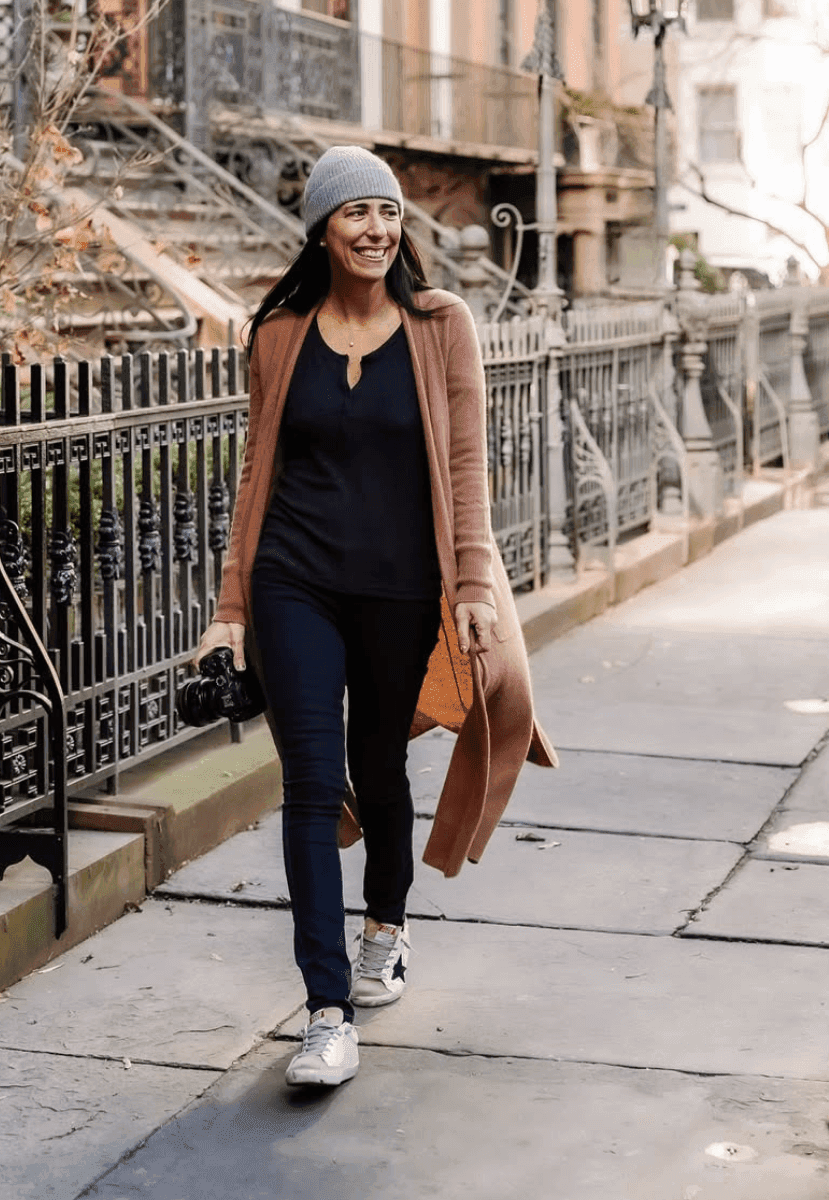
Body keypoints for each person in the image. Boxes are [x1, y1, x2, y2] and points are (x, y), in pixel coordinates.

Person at [193, 145, 556, 1088]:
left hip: (401, 588)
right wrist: (232, 607)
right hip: (294, 581)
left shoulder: (442, 326)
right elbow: (255, 478)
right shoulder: (279, 334)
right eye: (356, 213)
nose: (376, 229)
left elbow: (467, 470)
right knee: (312, 782)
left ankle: (385, 930)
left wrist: (474, 589)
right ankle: (325, 1012)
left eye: (389, 214)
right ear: (322, 227)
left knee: (378, 765)